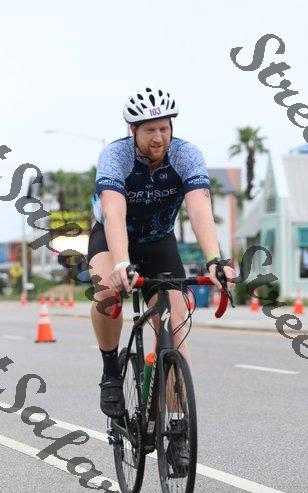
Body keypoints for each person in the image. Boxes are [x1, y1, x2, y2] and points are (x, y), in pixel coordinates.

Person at [87, 86, 235, 424]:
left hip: (159, 241)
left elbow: (199, 208)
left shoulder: (186, 155)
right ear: (133, 131)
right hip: (112, 239)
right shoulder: (115, 156)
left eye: (164, 128)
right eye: (150, 130)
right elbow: (113, 212)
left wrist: (215, 260)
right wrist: (121, 262)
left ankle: (179, 426)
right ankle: (111, 372)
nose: (158, 137)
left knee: (175, 328)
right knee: (107, 292)